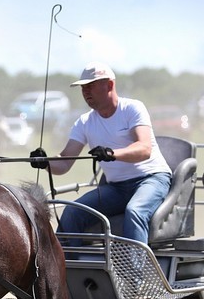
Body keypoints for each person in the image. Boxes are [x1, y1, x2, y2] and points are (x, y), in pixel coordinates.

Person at [31, 62, 172, 244]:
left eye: (91, 86)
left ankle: (134, 271)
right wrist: (45, 162)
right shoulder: (84, 122)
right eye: (83, 88)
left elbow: (144, 149)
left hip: (151, 179)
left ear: (110, 85)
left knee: (135, 210)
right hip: (116, 188)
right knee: (72, 212)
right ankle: (68, 268)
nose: (86, 92)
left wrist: (112, 153)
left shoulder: (132, 108)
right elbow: (64, 162)